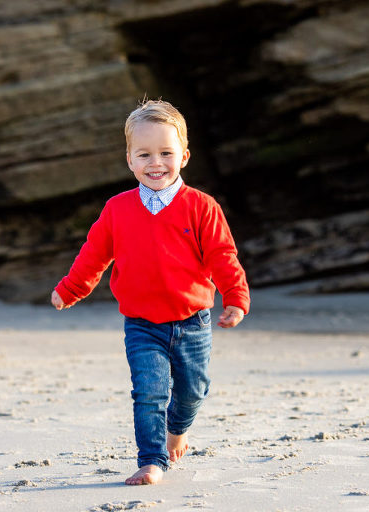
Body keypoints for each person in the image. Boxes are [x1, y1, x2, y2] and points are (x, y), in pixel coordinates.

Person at [51, 99, 250, 485]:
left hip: (193, 321)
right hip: (142, 323)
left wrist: (236, 299)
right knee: (148, 393)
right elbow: (93, 256)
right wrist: (70, 289)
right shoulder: (117, 209)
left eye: (166, 153)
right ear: (129, 159)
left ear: (185, 156)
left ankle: (178, 429)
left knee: (194, 390)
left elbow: (224, 256)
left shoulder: (201, 207)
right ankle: (152, 460)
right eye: (144, 154)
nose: (155, 162)